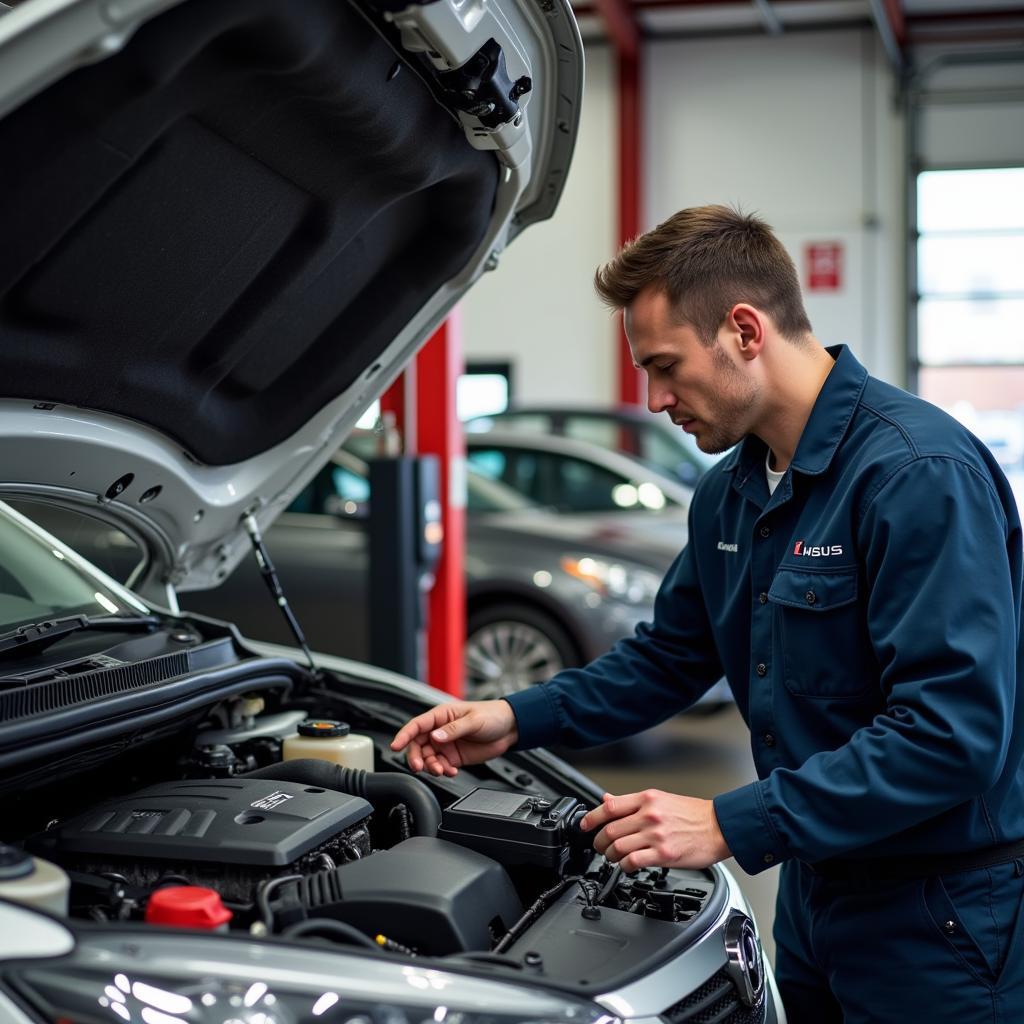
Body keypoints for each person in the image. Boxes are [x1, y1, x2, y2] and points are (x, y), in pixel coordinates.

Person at [391, 205, 1024, 1022]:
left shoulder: (914, 474)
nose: (654, 399)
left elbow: (953, 734)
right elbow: (669, 656)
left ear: (745, 331)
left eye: (665, 366)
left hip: (941, 916)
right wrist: (515, 716)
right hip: (812, 890)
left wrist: (730, 820)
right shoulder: (732, 492)